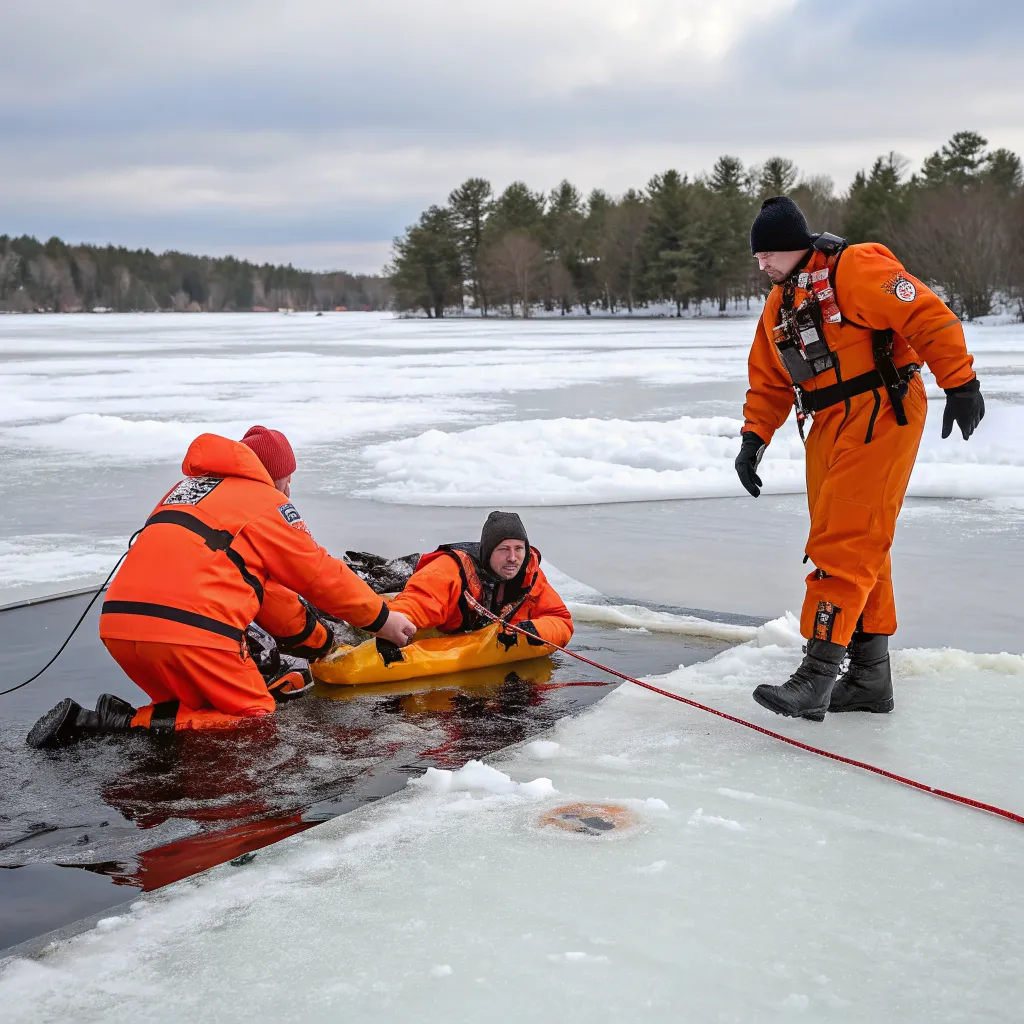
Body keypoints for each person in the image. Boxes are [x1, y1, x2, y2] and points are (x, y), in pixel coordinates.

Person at [736, 197, 984, 722]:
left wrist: (960, 383)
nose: (762, 265)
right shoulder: (781, 300)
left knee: (845, 540)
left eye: (769, 254)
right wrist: (754, 438)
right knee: (856, 538)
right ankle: (869, 679)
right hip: (825, 421)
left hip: (881, 408)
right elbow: (769, 375)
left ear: (795, 246)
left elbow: (926, 315)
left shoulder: (857, 269)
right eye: (757, 257)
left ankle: (818, 674)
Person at [27, 426, 416, 747]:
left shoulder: (185, 493)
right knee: (251, 718)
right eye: (287, 480)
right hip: (190, 634)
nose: (289, 489)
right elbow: (320, 574)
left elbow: (266, 595)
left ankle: (132, 721)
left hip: (119, 627)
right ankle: (109, 723)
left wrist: (316, 642)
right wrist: (382, 620)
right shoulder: (266, 503)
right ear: (273, 475)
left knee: (194, 708)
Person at [386, 511, 573, 648]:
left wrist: (533, 629)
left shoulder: (530, 575)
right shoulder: (449, 570)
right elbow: (417, 601)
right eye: (503, 549)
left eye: (518, 549)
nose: (513, 558)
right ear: (488, 552)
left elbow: (561, 620)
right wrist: (391, 626)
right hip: (438, 616)